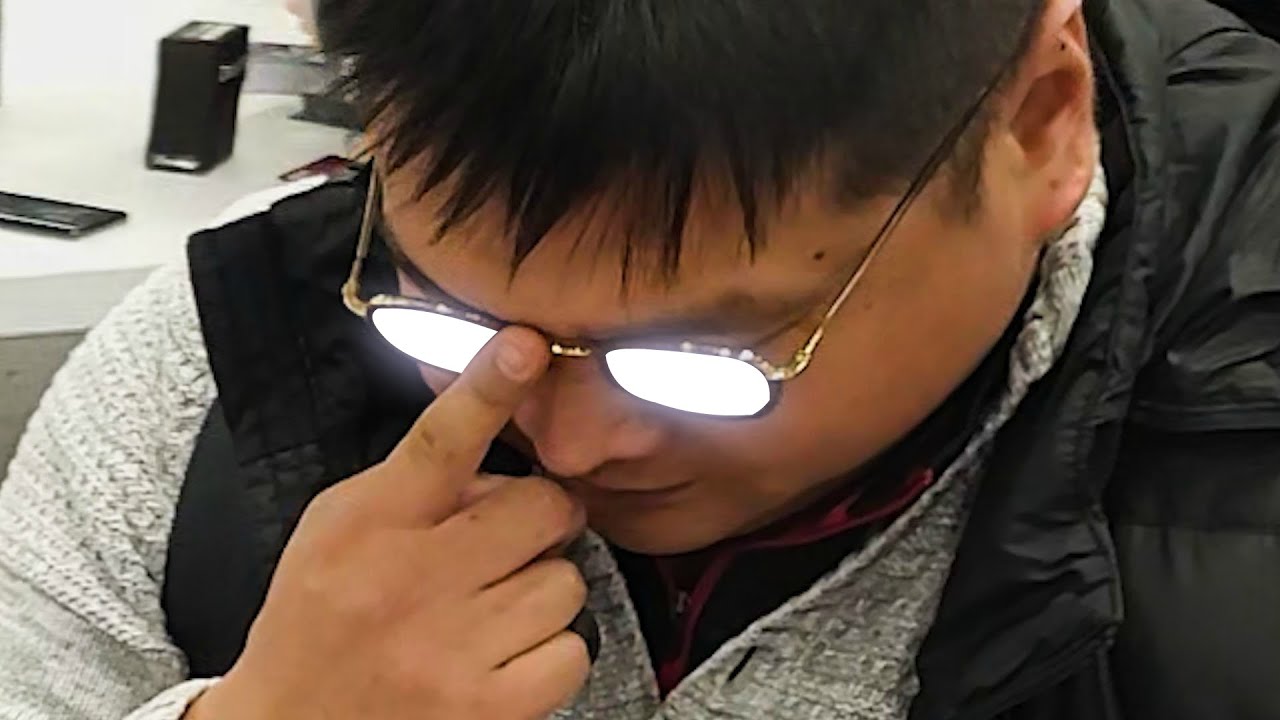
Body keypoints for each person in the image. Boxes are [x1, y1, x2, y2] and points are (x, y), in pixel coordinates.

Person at [3, 0, 1280, 717]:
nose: (572, 442)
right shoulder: (229, 354)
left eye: (700, 352)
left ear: (1039, 129)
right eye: (454, 315)